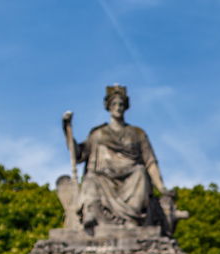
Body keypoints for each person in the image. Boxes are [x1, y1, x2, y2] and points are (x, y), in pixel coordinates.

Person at [63, 85, 167, 230]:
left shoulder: (138, 133)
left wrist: (161, 188)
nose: (118, 107)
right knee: (91, 178)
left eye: (121, 104)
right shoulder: (98, 133)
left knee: (140, 172)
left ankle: (131, 217)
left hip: (131, 176)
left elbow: (150, 162)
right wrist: (67, 129)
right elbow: (78, 154)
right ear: (108, 107)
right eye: (114, 104)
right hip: (103, 177)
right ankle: (91, 213)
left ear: (126, 107)